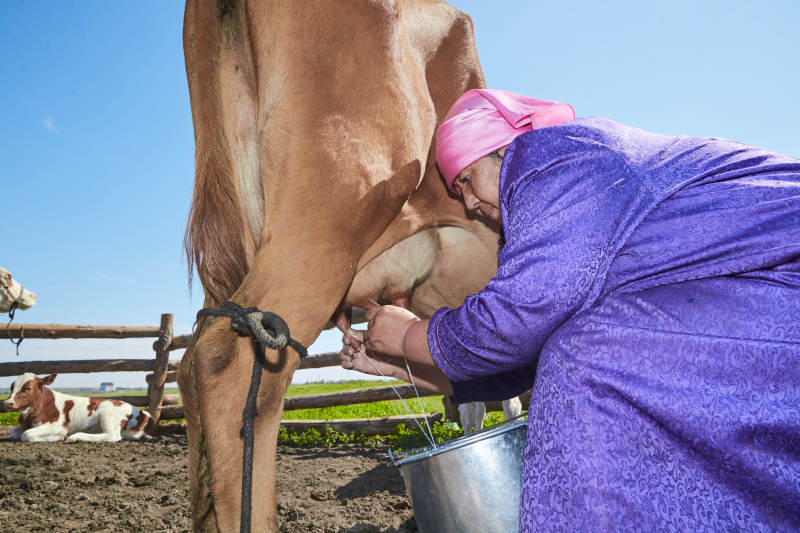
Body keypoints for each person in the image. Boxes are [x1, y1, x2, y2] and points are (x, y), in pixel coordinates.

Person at [339, 88, 800, 531]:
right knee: (583, 352)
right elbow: (528, 359)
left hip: (782, 278)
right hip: (757, 298)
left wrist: (408, 336)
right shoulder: (556, 209)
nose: (470, 203)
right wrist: (398, 365)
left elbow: (515, 319)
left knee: (585, 360)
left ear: (503, 149)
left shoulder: (555, 158)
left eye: (466, 180)